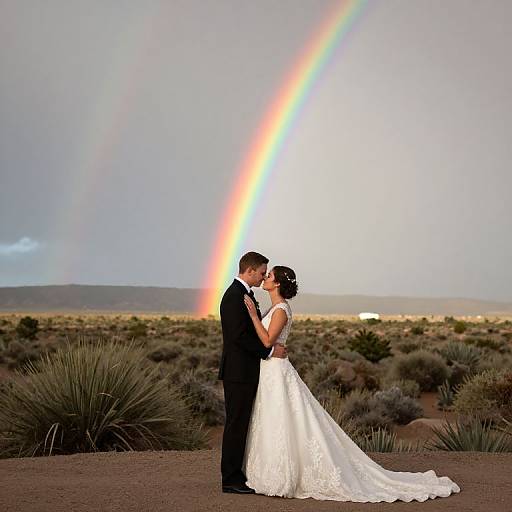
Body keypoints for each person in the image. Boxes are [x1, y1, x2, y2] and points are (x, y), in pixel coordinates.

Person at [242, 265, 461, 502]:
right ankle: (267, 470)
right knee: (275, 418)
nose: (265, 277)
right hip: (270, 369)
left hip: (276, 371)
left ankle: (284, 474)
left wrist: (254, 316)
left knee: (284, 418)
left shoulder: (281, 309)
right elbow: (269, 344)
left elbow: (266, 340)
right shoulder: (275, 307)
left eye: (269, 275)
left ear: (277, 283)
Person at [218, 251, 288, 494]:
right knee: (236, 424)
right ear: (249, 271)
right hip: (238, 372)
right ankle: (230, 479)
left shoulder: (244, 295)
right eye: (260, 273)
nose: (262, 277)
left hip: (247, 371)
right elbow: (238, 337)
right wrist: (268, 353)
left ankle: (238, 474)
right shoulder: (234, 297)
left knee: (242, 423)